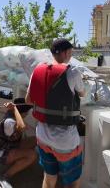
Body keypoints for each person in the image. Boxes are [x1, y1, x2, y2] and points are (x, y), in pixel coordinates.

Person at [26, 38, 86, 188]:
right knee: (72, 180)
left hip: (42, 136)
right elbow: (82, 93)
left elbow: (28, 100)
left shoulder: (37, 70)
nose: (71, 56)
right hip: (65, 140)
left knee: (49, 176)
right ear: (65, 52)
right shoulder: (72, 71)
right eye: (71, 52)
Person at [0, 98, 37, 188]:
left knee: (35, 140)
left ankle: (20, 163)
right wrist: (15, 108)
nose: (27, 114)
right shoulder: (10, 122)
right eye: (27, 112)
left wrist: (14, 108)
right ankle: (5, 176)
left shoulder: (12, 114)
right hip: (4, 154)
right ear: (22, 112)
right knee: (32, 155)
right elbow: (22, 127)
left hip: (12, 146)